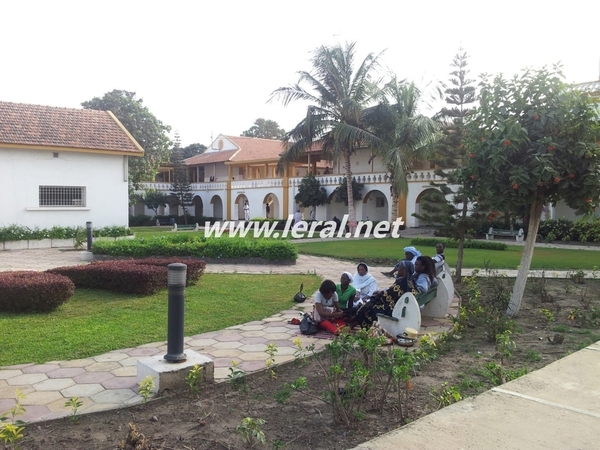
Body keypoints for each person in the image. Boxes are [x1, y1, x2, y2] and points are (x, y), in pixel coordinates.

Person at [347, 260, 415, 330]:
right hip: (398, 306)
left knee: (370, 305)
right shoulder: (410, 282)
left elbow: (388, 295)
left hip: (391, 308)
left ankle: (355, 319)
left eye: (399, 267)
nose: (398, 269)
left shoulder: (401, 283)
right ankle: (355, 320)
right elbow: (392, 293)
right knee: (371, 301)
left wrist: (379, 292)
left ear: (404, 270)